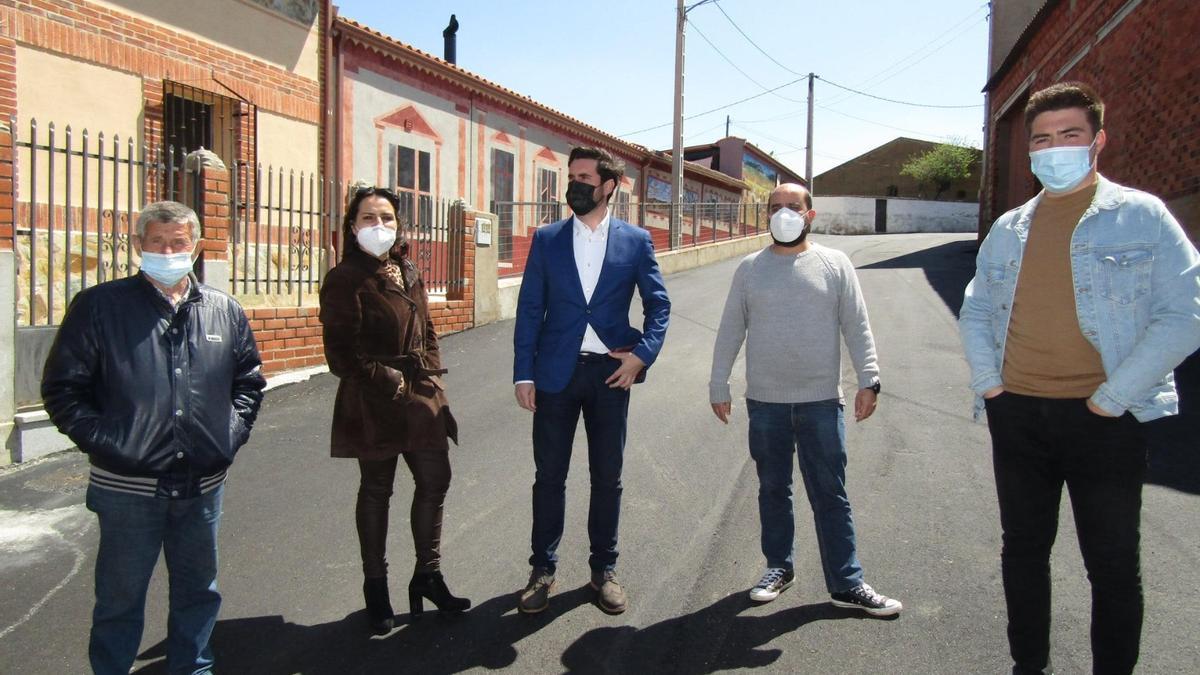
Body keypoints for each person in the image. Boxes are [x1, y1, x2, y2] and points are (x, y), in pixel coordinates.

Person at [959, 82, 1200, 675]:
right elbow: (978, 308)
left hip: (1105, 420)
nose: (1054, 148)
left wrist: (1113, 399)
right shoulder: (1010, 227)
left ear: (1098, 140)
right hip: (1018, 413)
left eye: (1069, 135)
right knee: (1023, 552)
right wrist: (992, 385)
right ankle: (1028, 666)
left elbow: (1186, 311)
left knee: (1113, 565)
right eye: (1041, 139)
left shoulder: (1140, 215)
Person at [41, 201, 266, 675]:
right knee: (120, 599)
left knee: (198, 591)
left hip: (201, 487)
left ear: (197, 246)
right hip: (127, 489)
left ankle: (194, 669)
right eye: (157, 242)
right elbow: (64, 390)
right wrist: (111, 443)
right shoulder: (101, 307)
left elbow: (247, 381)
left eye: (178, 243)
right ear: (138, 245)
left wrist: (229, 434)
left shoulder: (223, 310)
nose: (168, 252)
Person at [709, 183, 902, 617]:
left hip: (820, 402)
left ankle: (847, 583)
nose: (783, 214)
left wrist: (869, 379)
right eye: (774, 208)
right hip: (766, 403)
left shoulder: (834, 265)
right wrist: (718, 384)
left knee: (830, 494)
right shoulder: (749, 269)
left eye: (792, 207)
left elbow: (857, 324)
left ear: (810, 215)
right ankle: (779, 567)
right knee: (774, 490)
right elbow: (729, 331)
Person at [513, 146, 670, 615]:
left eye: (584, 177)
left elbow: (659, 306)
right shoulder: (546, 239)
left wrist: (641, 356)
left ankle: (604, 569)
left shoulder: (636, 241)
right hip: (555, 374)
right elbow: (528, 310)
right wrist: (524, 372)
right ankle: (543, 569)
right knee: (549, 478)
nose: (574, 184)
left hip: (610, 375)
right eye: (572, 176)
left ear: (609, 186)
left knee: (608, 477)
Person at [319, 186, 469, 635]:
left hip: (420, 398)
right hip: (372, 400)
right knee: (377, 490)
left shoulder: (406, 268)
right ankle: (376, 586)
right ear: (352, 226)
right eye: (368, 218)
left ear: (399, 224)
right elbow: (340, 356)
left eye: (386, 217)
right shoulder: (345, 278)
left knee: (435, 480)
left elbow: (426, 329)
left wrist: (431, 378)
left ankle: (428, 574)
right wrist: (392, 381)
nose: (379, 226)